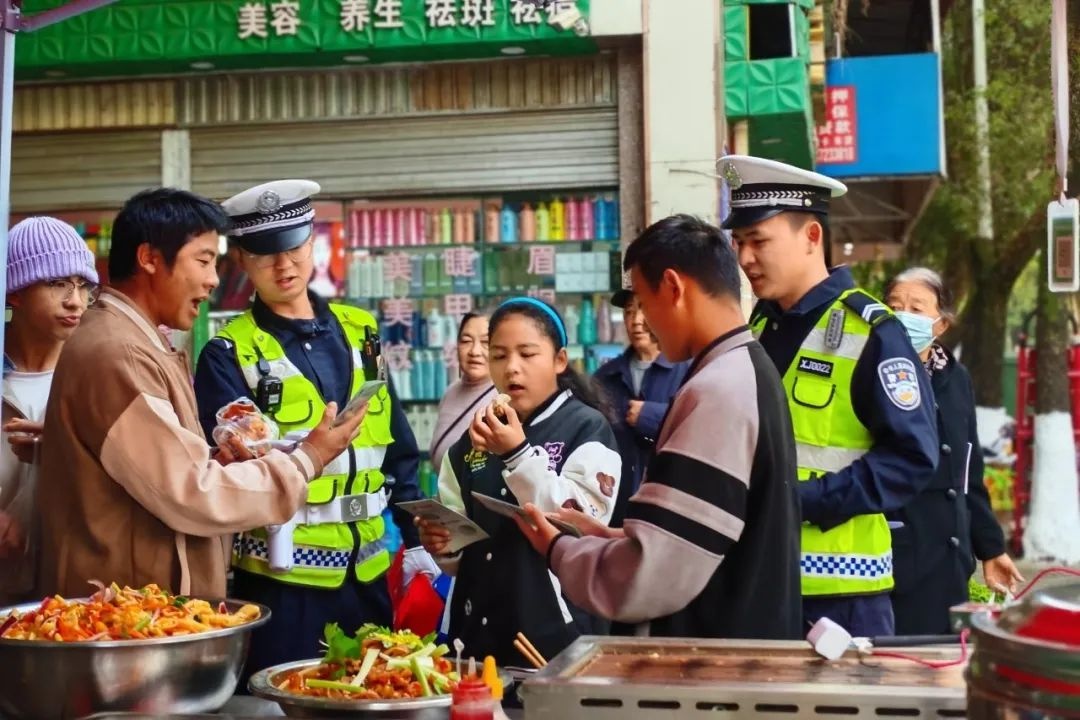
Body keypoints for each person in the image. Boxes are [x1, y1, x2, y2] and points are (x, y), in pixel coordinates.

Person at [36, 188, 366, 599]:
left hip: (146, 608)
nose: (213, 279)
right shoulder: (117, 353)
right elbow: (192, 491)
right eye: (204, 260)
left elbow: (164, 471)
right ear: (150, 258)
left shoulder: (136, 343)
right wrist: (307, 459)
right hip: (129, 617)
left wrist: (213, 458)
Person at [512, 215, 802, 640]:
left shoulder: (720, 389)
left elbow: (654, 576)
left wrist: (559, 549)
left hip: (716, 664)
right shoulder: (742, 367)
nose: (644, 321)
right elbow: (701, 536)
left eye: (645, 303)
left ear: (672, 287)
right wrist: (612, 538)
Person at [193, 179, 435, 677]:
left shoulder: (361, 329)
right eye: (265, 254)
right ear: (240, 258)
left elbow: (398, 447)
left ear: (311, 242)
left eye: (293, 248)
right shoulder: (227, 353)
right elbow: (230, 474)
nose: (284, 266)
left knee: (373, 695)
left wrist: (414, 542)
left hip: (368, 572)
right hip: (283, 582)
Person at [723, 154, 940, 637]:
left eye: (758, 241)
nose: (745, 259)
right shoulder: (758, 326)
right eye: (738, 243)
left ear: (812, 237)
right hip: (760, 582)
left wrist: (802, 501)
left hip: (842, 599)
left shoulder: (873, 332)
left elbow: (913, 457)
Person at [417, 298, 622, 666]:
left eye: (527, 354)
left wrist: (518, 455)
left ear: (559, 360)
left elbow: (582, 525)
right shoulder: (471, 440)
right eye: (499, 356)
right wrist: (444, 544)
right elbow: (460, 541)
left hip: (555, 634)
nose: (512, 368)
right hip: (476, 634)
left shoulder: (587, 428)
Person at [884, 267, 1023, 633]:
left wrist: (990, 549)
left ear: (941, 324)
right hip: (899, 553)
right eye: (894, 306)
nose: (903, 317)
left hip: (950, 555)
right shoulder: (874, 371)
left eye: (916, 309)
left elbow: (968, 470)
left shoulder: (955, 378)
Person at [0, 217, 99, 605]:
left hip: (67, 587)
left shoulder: (94, 371)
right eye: (57, 283)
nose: (75, 301)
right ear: (15, 294)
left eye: (82, 285)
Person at [594, 289, 688, 527]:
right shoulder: (606, 377)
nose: (635, 321)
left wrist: (653, 416)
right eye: (628, 312)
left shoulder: (688, 370)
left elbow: (706, 431)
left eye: (643, 309)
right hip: (616, 512)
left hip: (671, 512)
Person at [430, 312, 496, 473]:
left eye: (485, 342)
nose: (474, 351)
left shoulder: (503, 398)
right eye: (466, 341)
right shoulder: (451, 392)